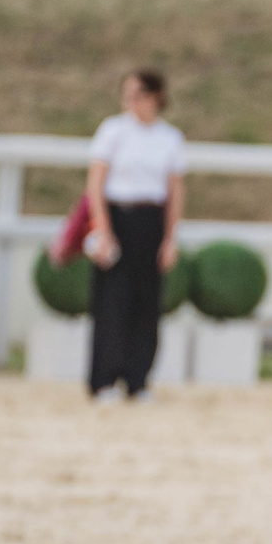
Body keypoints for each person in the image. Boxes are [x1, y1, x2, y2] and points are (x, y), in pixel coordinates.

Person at [84, 69, 187, 400]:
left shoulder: (169, 138)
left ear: (155, 96)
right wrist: (102, 230)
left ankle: (138, 379)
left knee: (147, 304)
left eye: (137, 94)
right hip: (118, 218)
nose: (131, 102)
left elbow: (175, 191)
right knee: (112, 302)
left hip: (150, 222)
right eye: (126, 95)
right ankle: (104, 379)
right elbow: (96, 185)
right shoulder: (113, 131)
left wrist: (170, 238)